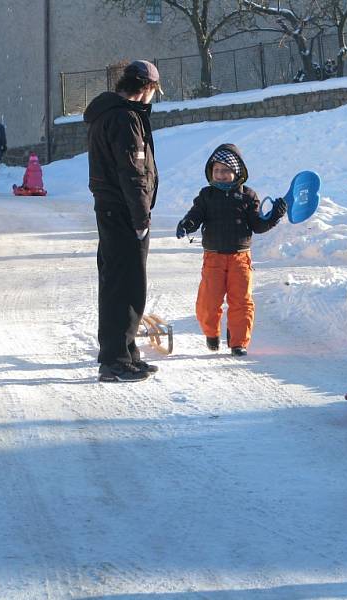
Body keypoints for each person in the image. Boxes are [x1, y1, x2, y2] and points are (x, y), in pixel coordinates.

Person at [83, 60, 162, 382]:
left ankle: (126, 352)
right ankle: (115, 359)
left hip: (113, 208)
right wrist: (140, 216)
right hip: (124, 211)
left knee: (122, 284)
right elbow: (132, 172)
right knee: (124, 287)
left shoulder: (110, 114)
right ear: (147, 90)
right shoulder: (124, 118)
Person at [176, 144, 286, 357]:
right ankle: (211, 332)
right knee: (209, 300)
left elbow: (258, 225)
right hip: (214, 257)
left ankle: (238, 342)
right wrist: (187, 224)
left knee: (241, 301)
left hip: (240, 258)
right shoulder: (206, 195)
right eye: (217, 170)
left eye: (226, 170)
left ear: (236, 172)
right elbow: (195, 215)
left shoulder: (248, 196)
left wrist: (274, 216)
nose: (221, 175)